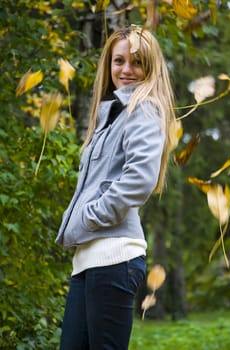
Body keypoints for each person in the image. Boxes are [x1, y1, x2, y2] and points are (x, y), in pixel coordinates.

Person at [55, 26, 176, 350]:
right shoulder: (111, 115)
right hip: (89, 260)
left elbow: (140, 180)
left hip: (114, 258)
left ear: (150, 67)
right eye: (118, 60)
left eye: (137, 62)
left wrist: (89, 217)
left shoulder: (143, 108)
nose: (126, 70)